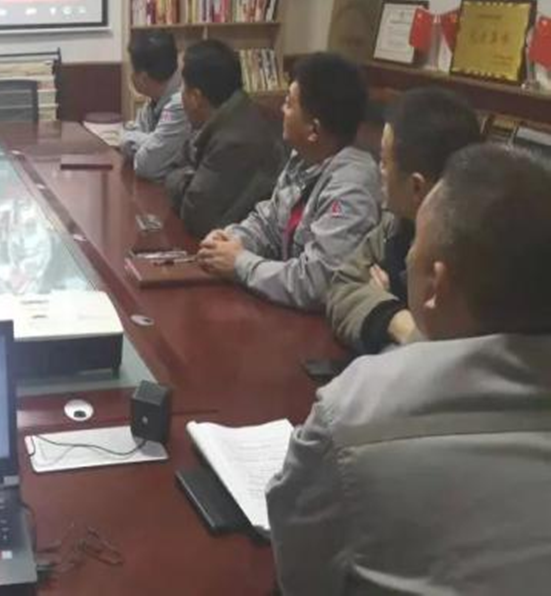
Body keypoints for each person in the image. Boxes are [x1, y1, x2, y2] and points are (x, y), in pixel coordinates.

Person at [268, 144, 551, 594]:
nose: (404, 259)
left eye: (414, 249)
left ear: (435, 285)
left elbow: (301, 577)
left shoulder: (356, 408)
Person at [197, 52, 380, 310]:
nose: (282, 110)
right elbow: (269, 222)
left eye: (289, 104)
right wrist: (230, 240)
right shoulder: (304, 158)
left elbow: (316, 284)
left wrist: (239, 263)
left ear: (313, 130)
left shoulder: (352, 186)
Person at [326, 87, 481, 353]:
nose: (379, 170)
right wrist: (395, 317)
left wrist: (407, 331)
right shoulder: (397, 223)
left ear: (416, 187)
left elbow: (446, 360)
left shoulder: (479, 259)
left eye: (384, 161)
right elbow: (342, 285)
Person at [164, 40, 285, 237]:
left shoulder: (235, 140)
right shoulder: (231, 114)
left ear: (195, 97)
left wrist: (187, 181)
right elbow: (174, 168)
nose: (179, 94)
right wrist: (189, 181)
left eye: (182, 87)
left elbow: (196, 216)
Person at [120, 31, 193, 181]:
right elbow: (125, 141)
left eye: (131, 69)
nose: (130, 75)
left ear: (143, 78)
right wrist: (153, 140)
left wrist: (147, 142)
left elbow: (146, 166)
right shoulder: (156, 95)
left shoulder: (181, 102)